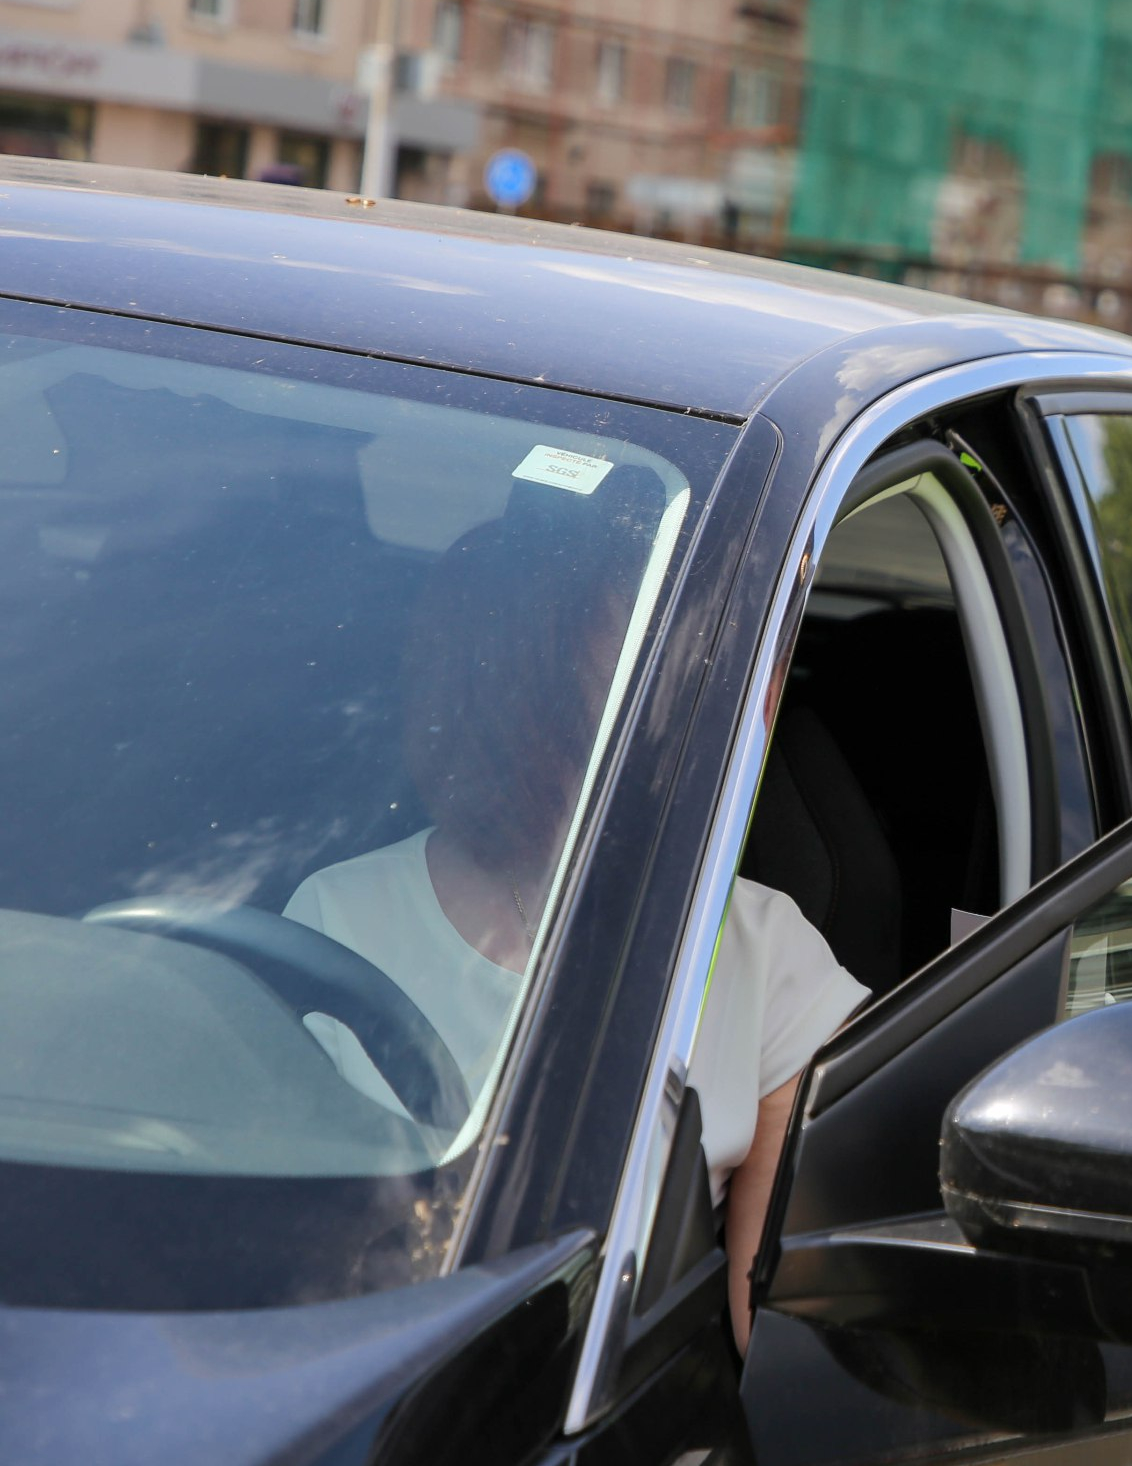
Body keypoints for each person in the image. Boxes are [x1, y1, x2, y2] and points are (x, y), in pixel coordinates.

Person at [284, 470, 864, 1350]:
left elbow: (764, 1347)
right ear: (518, 693)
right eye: (643, 684)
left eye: (734, 678)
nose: (714, 723)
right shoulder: (332, 923)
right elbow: (287, 1276)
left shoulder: (765, 953)